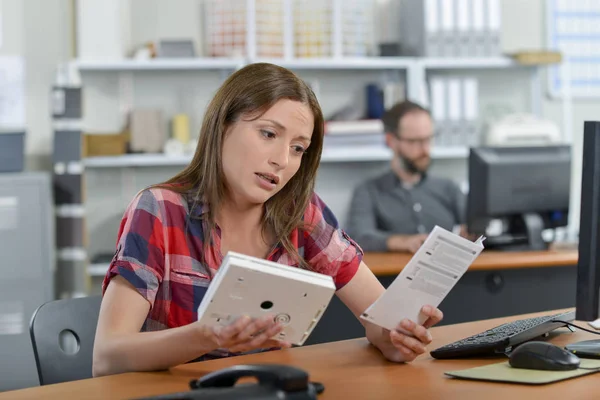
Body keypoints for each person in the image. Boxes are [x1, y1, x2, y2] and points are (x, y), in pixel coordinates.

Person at [92, 63, 443, 377]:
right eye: (268, 134)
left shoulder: (300, 214)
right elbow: (107, 357)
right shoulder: (158, 209)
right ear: (222, 125)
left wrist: (396, 336)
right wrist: (204, 335)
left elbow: (380, 318)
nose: (282, 160)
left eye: (298, 148)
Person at [346, 101, 467, 254]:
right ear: (391, 141)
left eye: (428, 139)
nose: (425, 149)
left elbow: (476, 225)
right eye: (414, 141)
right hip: (393, 275)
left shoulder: (449, 188)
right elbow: (359, 237)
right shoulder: (368, 191)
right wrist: (402, 242)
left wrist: (469, 233)